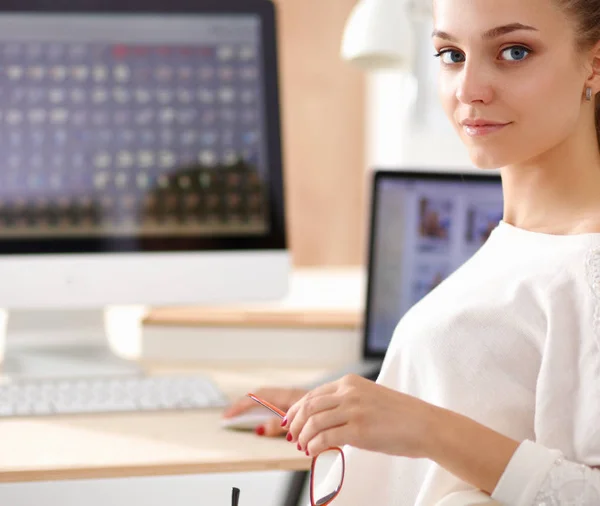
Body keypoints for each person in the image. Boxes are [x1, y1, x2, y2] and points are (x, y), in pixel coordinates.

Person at [222, 0, 600, 503]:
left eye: (514, 51)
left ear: (594, 65)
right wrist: (351, 411)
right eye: (451, 54)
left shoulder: (588, 264)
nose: (469, 89)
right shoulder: (523, 239)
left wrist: (422, 425)